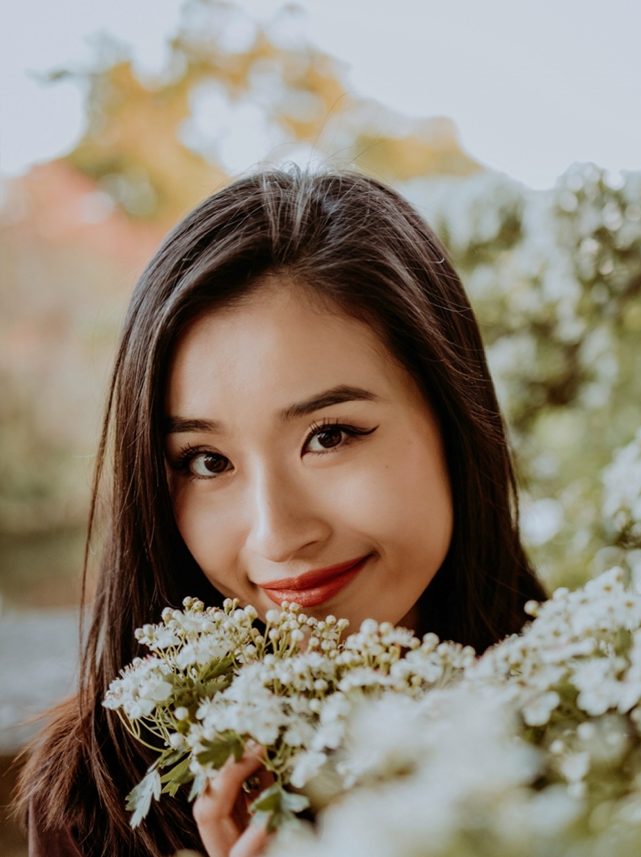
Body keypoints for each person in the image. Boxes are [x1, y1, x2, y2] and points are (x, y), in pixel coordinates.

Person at [16, 167, 547, 857]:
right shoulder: (95, 804)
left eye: (328, 435)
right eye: (208, 460)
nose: (277, 533)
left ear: (453, 419)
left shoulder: (632, 728)